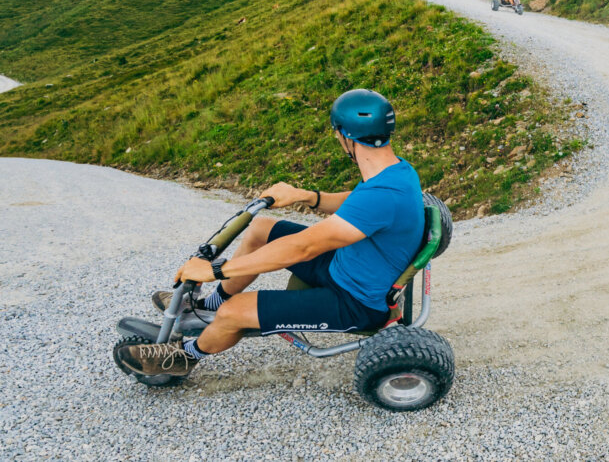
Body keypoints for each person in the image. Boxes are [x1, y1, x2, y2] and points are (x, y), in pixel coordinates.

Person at [117, 88, 424, 377]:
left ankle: (184, 357)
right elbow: (356, 202)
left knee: (235, 313)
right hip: (346, 267)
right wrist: (305, 195)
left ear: (343, 135)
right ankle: (211, 305)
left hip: (356, 301)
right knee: (262, 228)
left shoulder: (383, 194)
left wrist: (217, 269)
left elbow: (302, 248)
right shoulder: (396, 171)